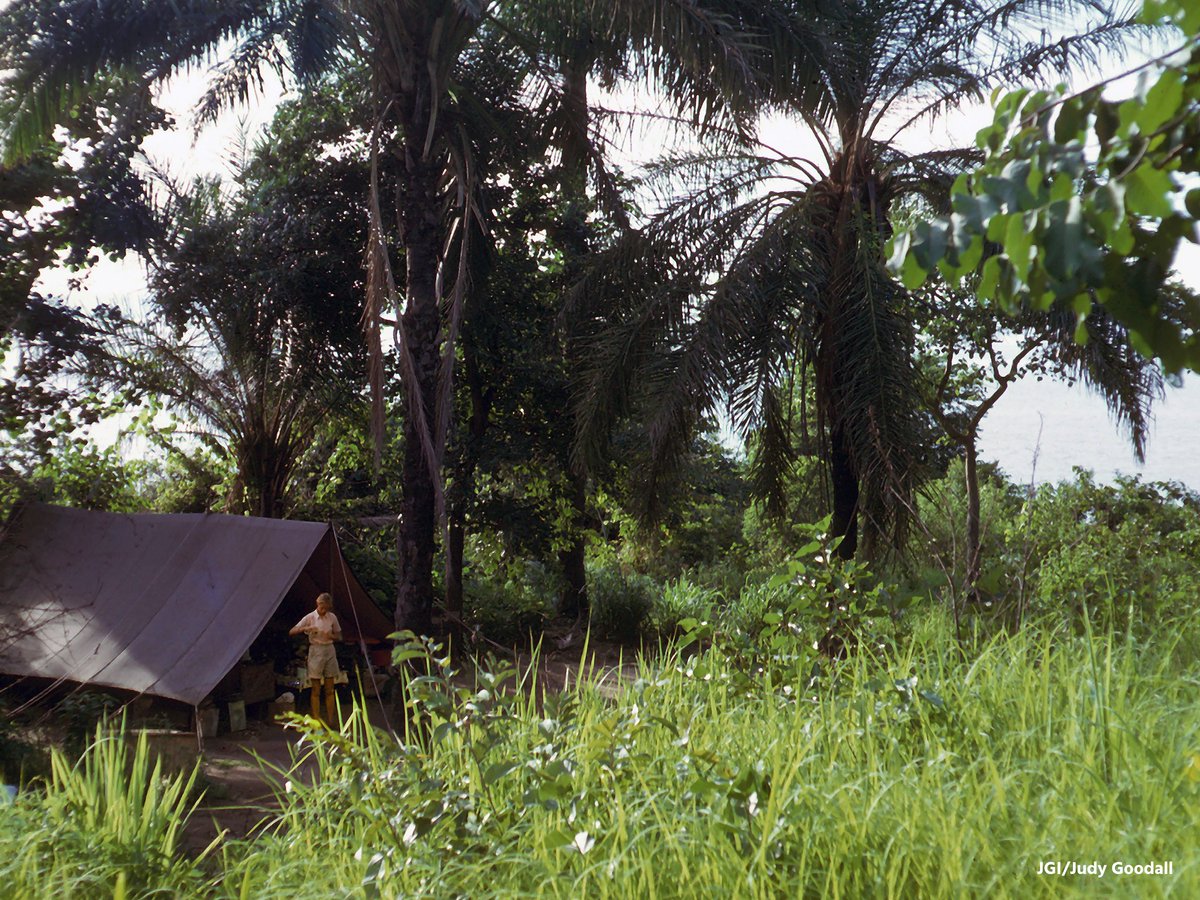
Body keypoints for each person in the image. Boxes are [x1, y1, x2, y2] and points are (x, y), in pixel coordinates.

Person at [289, 592, 343, 724]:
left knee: (330, 689)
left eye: (326, 608)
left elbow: (339, 636)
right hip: (316, 650)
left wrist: (331, 636)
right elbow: (292, 631)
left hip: (329, 650)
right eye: (322, 608)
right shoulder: (310, 617)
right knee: (315, 689)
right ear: (318, 604)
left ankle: (330, 720)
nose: (324, 611)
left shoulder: (332, 617)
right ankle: (316, 720)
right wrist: (307, 628)